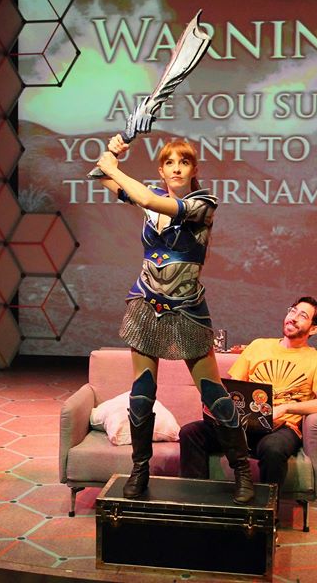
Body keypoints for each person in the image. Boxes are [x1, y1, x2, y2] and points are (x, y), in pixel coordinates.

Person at [96, 135, 254, 504]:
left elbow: (149, 200)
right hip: (146, 304)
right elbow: (102, 177)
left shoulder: (203, 204)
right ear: (161, 169)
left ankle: (242, 471)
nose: (177, 168)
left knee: (215, 395)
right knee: (141, 395)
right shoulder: (149, 196)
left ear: (194, 169)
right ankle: (140, 469)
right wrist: (112, 154)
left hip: (187, 310)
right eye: (169, 162)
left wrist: (114, 169)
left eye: (184, 162)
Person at [179, 297, 317, 492]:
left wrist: (285, 408)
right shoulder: (258, 346)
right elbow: (233, 388)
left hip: (280, 428)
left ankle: (267, 508)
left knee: (273, 449)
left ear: (314, 329)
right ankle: (197, 498)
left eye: (303, 315)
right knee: (190, 433)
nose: (293, 317)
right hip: (242, 423)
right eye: (292, 311)